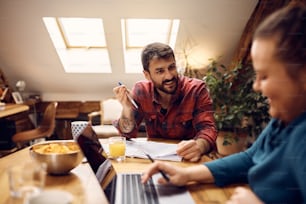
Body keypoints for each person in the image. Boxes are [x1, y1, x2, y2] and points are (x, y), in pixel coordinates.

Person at [141, 2, 306, 203]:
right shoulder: (285, 117)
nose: (256, 86)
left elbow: (208, 130)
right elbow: (249, 158)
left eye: (265, 76)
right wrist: (186, 174)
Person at [113, 42, 217, 162]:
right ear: (147, 75)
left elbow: (208, 128)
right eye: (160, 71)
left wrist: (199, 146)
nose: (169, 76)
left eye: (171, 67)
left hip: (189, 159)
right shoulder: (142, 90)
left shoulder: (196, 89)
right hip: (156, 160)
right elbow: (127, 134)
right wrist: (127, 109)